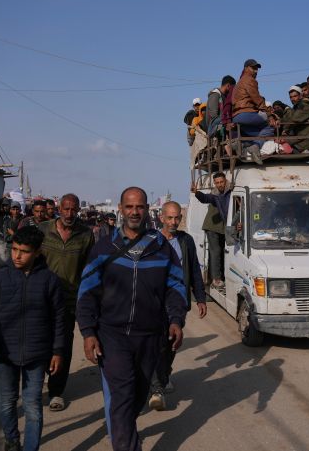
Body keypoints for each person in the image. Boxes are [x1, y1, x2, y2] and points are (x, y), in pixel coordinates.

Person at [77, 187, 187, 451]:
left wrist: (176, 319)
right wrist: (88, 331)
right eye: (129, 206)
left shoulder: (161, 247)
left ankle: (127, 434)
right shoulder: (105, 248)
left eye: (139, 207)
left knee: (137, 396)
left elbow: (176, 287)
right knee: (122, 396)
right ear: (120, 208)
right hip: (112, 335)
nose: (134, 212)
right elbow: (87, 292)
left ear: (147, 209)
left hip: (150, 336)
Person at [0, 226, 65, 451]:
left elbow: (59, 319)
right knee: (8, 401)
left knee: (33, 404)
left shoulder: (50, 281)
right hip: (4, 353)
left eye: (24, 251)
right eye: (14, 249)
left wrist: (57, 351)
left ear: (37, 252)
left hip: (38, 354)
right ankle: (12, 440)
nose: (17, 255)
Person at [38, 193, 95, 411]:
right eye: (66, 209)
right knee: (40, 341)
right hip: (42, 298)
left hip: (69, 301)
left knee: (63, 345)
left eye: (74, 210)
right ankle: (38, 381)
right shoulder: (44, 230)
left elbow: (89, 268)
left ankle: (56, 391)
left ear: (78, 210)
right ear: (59, 209)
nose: (70, 214)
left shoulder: (85, 234)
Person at [149, 201, 207, 411]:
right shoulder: (150, 241)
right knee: (156, 344)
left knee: (172, 342)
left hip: (178, 301)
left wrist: (200, 297)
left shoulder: (186, 241)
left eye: (177, 218)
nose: (173, 222)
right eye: (169, 218)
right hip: (154, 302)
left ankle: (163, 376)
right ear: (161, 218)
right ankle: (157, 388)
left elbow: (194, 270)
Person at [191, 172, 231, 288]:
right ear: (214, 184)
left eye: (221, 182)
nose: (219, 185)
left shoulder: (231, 191)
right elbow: (205, 198)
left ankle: (223, 276)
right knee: (216, 251)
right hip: (212, 226)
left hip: (225, 227)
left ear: (225, 181)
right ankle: (216, 279)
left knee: (225, 251)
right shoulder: (215, 194)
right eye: (217, 183)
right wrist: (196, 192)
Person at [230, 59, 274, 164]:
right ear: (246, 68)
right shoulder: (249, 80)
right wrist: (270, 115)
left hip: (236, 117)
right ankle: (256, 146)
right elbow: (257, 99)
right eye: (253, 68)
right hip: (246, 114)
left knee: (258, 134)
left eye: (257, 69)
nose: (256, 71)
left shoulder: (239, 83)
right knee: (270, 126)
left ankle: (243, 144)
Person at [282, 85, 309, 152]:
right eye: (291, 97)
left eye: (295, 96)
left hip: (307, 141)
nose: (292, 99)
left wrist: (285, 130)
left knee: (281, 147)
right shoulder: (296, 107)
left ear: (300, 96)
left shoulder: (304, 106)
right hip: (301, 138)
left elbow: (293, 120)